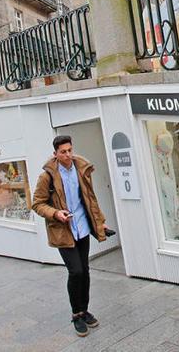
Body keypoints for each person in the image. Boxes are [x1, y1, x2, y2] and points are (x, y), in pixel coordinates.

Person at [32, 135, 116, 337]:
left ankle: (85, 310)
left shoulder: (81, 168)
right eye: (63, 152)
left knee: (85, 271)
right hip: (63, 230)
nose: (68, 154)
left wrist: (100, 221)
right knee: (75, 271)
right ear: (55, 154)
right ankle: (76, 314)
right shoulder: (47, 177)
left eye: (70, 150)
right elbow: (37, 204)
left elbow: (90, 199)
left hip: (83, 228)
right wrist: (56, 213)